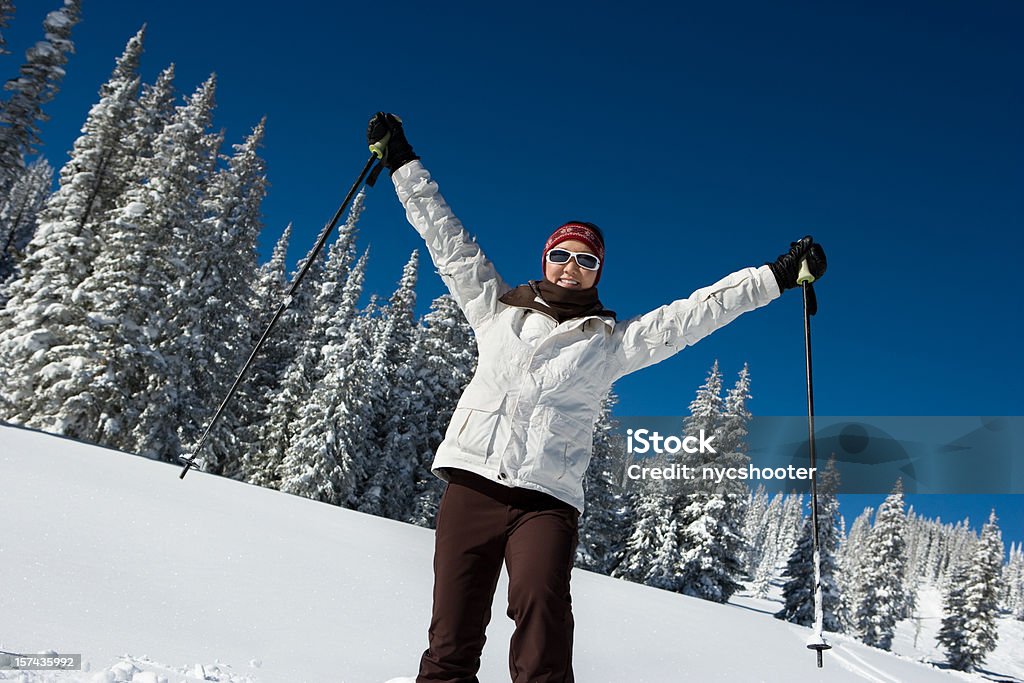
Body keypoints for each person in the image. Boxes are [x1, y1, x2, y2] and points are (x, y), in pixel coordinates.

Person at [366, 112, 827, 683]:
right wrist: (403, 163)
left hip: (545, 501)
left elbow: (691, 316)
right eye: (562, 254)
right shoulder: (496, 311)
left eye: (587, 260)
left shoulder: (610, 344)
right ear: (545, 260)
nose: (572, 267)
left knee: (543, 632)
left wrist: (777, 276)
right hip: (473, 484)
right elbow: (449, 243)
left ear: (598, 272)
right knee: (451, 639)